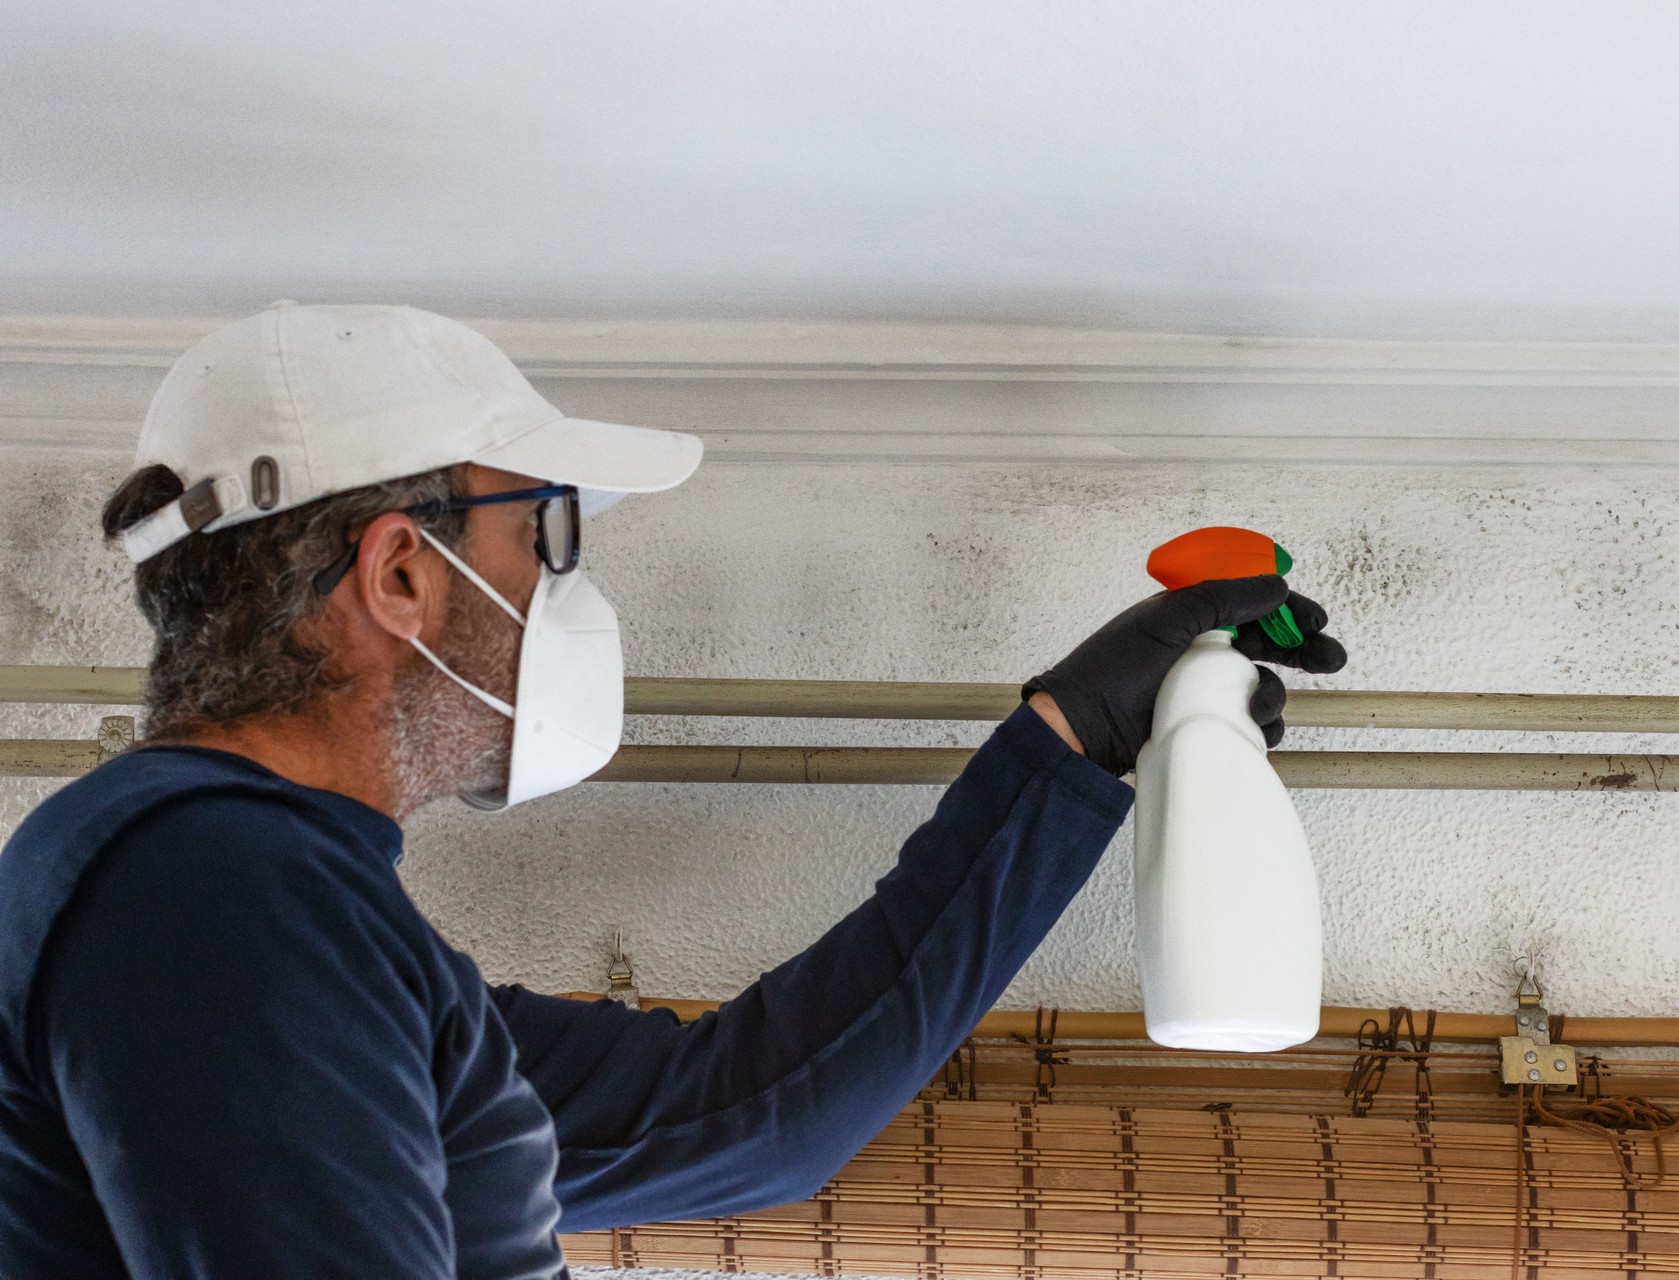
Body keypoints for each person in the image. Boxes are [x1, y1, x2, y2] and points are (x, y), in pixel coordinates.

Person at [0, 303, 1346, 1279]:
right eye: (541, 534)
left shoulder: (270, 918)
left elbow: (750, 1112)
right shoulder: (221, 899)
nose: (554, 587)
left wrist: (1070, 739)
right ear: (400, 574)